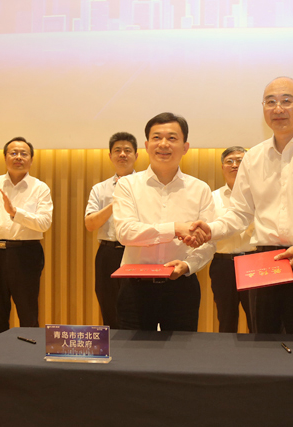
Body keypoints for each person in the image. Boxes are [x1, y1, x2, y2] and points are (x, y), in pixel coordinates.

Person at [188, 77, 293, 334]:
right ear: (263, 108)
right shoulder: (253, 156)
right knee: (264, 343)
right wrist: (211, 229)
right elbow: (240, 212)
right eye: (270, 102)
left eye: (287, 101)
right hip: (265, 264)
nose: (278, 109)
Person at [112, 112, 215, 332]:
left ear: (185, 147)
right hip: (135, 288)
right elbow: (125, 232)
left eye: (172, 138)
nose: (164, 144)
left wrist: (189, 265)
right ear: (147, 145)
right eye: (157, 138)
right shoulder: (127, 185)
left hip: (182, 287)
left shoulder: (200, 189)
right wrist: (175, 228)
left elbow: (208, 241)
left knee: (180, 351)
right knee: (133, 351)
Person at [0, 137, 53, 337]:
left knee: (28, 313)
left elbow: (44, 223)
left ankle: (29, 355)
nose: (18, 157)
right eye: (13, 153)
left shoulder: (40, 188)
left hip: (26, 254)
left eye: (24, 154)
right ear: (5, 157)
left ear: (31, 160)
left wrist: (15, 213)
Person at [85, 132, 138, 328]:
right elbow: (90, 224)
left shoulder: (147, 186)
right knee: (108, 307)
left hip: (136, 252)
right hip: (107, 253)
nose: (122, 154)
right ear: (110, 156)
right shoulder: (100, 189)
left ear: (136, 155)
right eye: (117, 150)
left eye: (127, 150)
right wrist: (114, 202)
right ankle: (112, 346)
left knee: (136, 307)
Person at [209, 146, 254, 333]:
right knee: (226, 320)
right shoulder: (212, 198)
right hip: (223, 264)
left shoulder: (260, 196)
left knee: (257, 319)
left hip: (254, 263)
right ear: (222, 167)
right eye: (230, 161)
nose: (235, 165)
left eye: (240, 161)